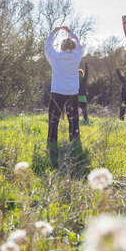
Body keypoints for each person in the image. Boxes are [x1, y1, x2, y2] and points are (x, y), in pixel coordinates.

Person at [45, 26, 82, 168]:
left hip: (57, 92)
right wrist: (70, 32)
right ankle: (74, 141)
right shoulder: (77, 56)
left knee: (53, 120)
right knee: (74, 120)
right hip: (72, 92)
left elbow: (47, 46)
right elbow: (78, 43)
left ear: (61, 46)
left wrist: (54, 32)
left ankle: (52, 141)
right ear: (73, 46)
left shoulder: (55, 57)